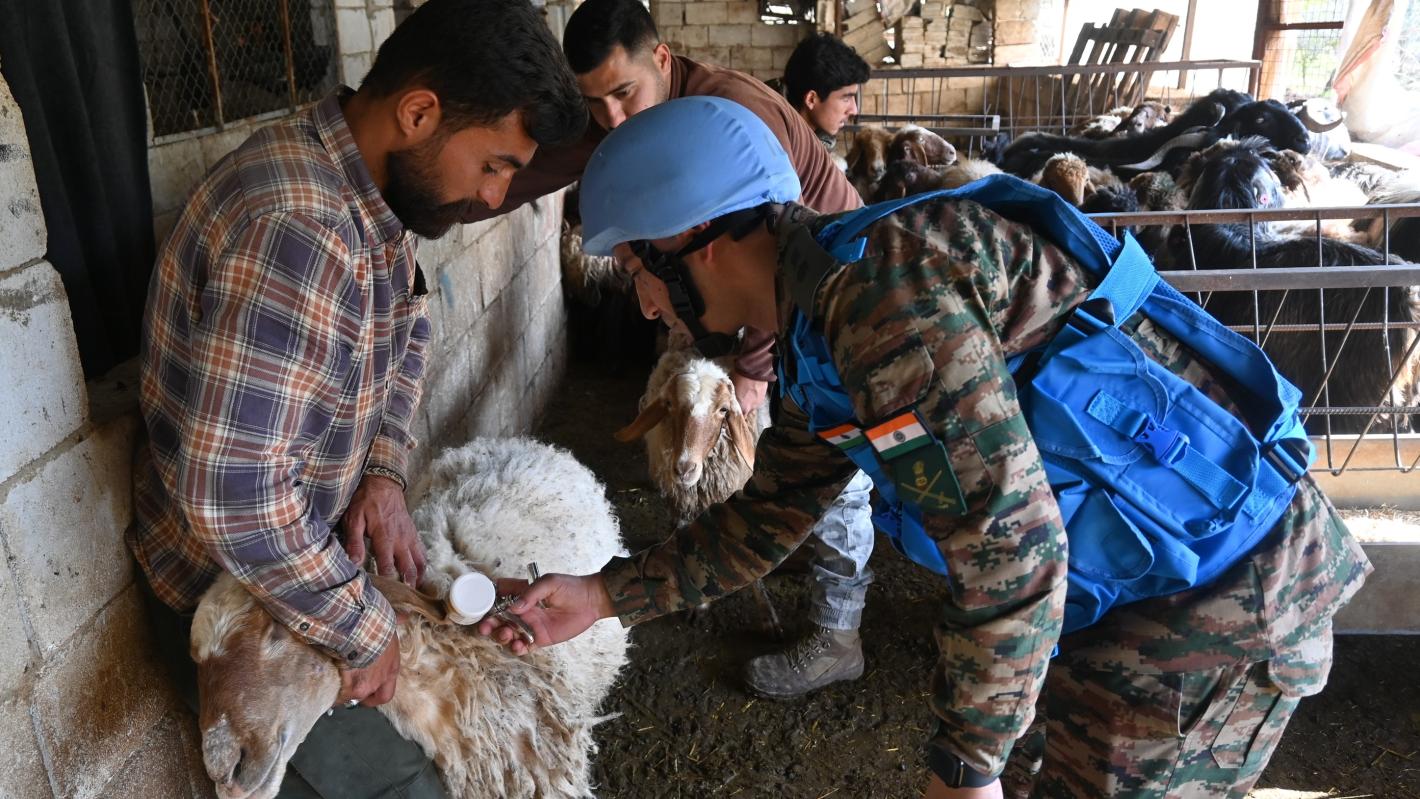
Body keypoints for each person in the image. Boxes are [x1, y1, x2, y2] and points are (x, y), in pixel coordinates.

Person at [480, 97, 1372, 799]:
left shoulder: (881, 302)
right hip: (1127, 591)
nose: (643, 305)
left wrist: (965, 764)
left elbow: (1013, 554)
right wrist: (602, 594)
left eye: (640, 272)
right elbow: (766, 516)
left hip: (1224, 598)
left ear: (693, 245)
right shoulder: (821, 321)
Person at [126, 1, 584, 795]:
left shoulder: (371, 199)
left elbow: (407, 329)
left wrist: (381, 470)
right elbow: (231, 494)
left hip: (301, 558)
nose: (492, 194)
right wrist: (363, 628)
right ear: (418, 112)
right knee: (414, 783)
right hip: (237, 600)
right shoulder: (298, 228)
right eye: (495, 164)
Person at [467, 0, 877, 698]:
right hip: (762, 306)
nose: (614, 119)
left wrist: (751, 367)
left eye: (623, 93)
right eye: (597, 103)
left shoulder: (739, 119)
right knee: (795, 471)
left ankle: (836, 633)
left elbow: (772, 245)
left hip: (822, 294)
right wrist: (601, 596)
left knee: (843, 472)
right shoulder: (638, 128)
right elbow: (764, 517)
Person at [782, 32, 871, 149]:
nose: (854, 110)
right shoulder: (778, 149)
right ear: (811, 99)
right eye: (846, 98)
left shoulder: (798, 137)